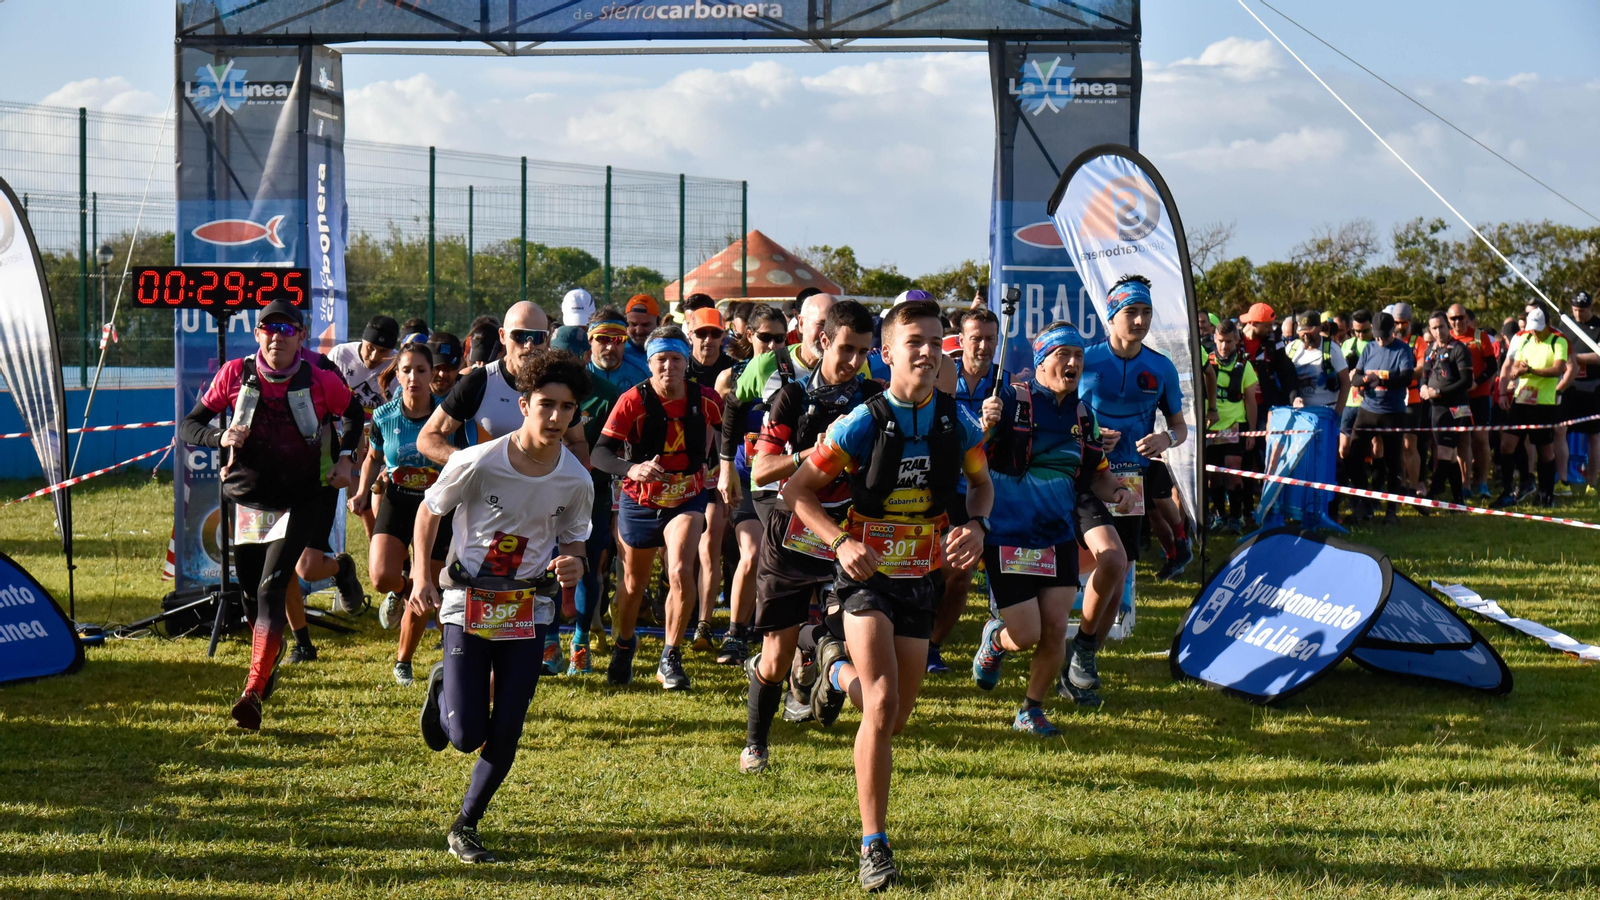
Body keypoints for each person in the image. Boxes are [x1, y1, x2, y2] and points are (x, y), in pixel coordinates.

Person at [782, 298, 990, 891]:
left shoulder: (960, 421)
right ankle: (874, 844)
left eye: (934, 341)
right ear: (888, 353)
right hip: (865, 576)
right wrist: (840, 543)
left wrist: (976, 527)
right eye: (914, 342)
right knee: (878, 704)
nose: (927, 351)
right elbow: (796, 492)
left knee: (895, 716)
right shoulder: (863, 421)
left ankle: (831, 664)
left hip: (919, 576)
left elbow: (981, 486)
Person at [413, 350, 592, 864]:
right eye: (546, 405)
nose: (556, 417)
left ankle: (465, 824)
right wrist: (423, 576)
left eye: (567, 408)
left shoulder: (576, 480)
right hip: (468, 597)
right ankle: (443, 683)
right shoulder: (478, 460)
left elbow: (575, 540)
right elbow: (429, 512)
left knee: (509, 723)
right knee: (468, 734)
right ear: (523, 404)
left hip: (528, 605)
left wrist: (573, 565)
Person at [179, 300, 358, 731]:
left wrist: (347, 457)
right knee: (249, 598)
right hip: (248, 497)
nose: (277, 336)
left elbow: (350, 412)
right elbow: (190, 425)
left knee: (273, 588)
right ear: (257, 335)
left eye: (287, 328)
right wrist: (221, 436)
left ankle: (252, 691)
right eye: (268, 328)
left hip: (301, 497)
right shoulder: (235, 374)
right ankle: (266, 662)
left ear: (301, 336)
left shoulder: (319, 377)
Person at [972, 322, 1134, 736]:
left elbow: (1096, 472)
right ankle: (996, 640)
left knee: (1056, 629)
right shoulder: (1010, 399)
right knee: (1025, 634)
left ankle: (1031, 709)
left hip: (1057, 535)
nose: (1074, 362)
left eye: (1078, 355)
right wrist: (983, 423)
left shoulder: (1084, 415)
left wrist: (1117, 492)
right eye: (1064, 354)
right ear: (1042, 361)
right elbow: (972, 452)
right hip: (1008, 532)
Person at [740, 299, 879, 773]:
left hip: (850, 531)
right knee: (774, 658)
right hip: (793, 530)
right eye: (847, 349)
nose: (855, 361)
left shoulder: (875, 400)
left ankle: (823, 674)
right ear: (824, 341)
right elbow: (762, 469)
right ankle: (756, 742)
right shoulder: (791, 397)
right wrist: (814, 455)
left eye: (865, 351)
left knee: (847, 634)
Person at [592, 326, 725, 690]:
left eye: (676, 359)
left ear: (687, 363)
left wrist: (724, 469)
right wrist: (632, 468)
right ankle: (624, 644)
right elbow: (599, 453)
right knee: (633, 585)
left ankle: (671, 655)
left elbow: (724, 426)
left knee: (681, 570)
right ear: (650, 363)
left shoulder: (705, 397)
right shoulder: (633, 400)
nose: (669, 367)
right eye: (661, 360)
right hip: (641, 498)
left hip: (686, 495)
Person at [359, 340, 459, 685]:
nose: (414, 377)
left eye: (421, 370)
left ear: (432, 374)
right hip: (398, 500)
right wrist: (361, 492)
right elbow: (373, 457)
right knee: (381, 577)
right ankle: (401, 589)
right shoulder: (385, 416)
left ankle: (403, 661)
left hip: (436, 506)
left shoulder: (447, 414)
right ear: (397, 375)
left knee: (425, 584)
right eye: (407, 370)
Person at [1079, 276, 1191, 581]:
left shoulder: (1161, 367)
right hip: (1082, 473)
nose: (1141, 320)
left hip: (1131, 477)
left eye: (1147, 311)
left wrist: (1164, 439)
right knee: (1084, 556)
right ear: (1112, 316)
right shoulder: (1085, 361)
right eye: (1131, 312)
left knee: (1124, 557)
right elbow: (1059, 414)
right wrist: (1089, 440)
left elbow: (1179, 427)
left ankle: (1110, 622)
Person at [927, 305, 1004, 674]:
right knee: (931, 568)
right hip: (936, 486)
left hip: (977, 489)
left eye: (991, 339)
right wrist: (980, 425)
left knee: (960, 573)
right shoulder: (943, 376)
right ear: (962, 338)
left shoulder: (1007, 388)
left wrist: (999, 424)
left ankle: (932, 646)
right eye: (977, 338)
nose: (984, 346)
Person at [716, 304, 793, 667]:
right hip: (747, 482)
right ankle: (734, 635)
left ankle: (778, 632)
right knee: (752, 553)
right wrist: (724, 470)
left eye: (781, 338)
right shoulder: (731, 377)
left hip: (785, 482)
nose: (774, 344)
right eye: (766, 337)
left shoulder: (793, 375)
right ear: (749, 335)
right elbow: (724, 433)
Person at [551, 325, 620, 674]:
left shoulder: (606, 395)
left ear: (584, 357)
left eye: (572, 357)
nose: (565, 364)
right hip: (543, 497)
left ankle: (580, 640)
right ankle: (549, 642)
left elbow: (612, 452)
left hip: (592, 495)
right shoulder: (538, 391)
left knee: (589, 566)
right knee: (544, 565)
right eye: (558, 355)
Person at [685, 306, 737, 653]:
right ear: (689, 334)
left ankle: (703, 621)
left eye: (714, 334)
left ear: (724, 336)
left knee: (709, 546)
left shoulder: (730, 372)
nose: (708, 340)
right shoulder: (677, 366)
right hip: (680, 469)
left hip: (717, 467)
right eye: (701, 333)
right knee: (681, 550)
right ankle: (684, 611)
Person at [1495, 306, 1569, 507]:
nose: (1534, 331)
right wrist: (1516, 373)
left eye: (1538, 328)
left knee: (1545, 450)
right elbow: (1517, 364)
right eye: (1532, 327)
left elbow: (1558, 369)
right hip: (1522, 399)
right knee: (1507, 444)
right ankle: (1508, 491)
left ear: (1547, 325)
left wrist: (1532, 370)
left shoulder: (1558, 341)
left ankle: (1546, 494)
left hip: (1544, 403)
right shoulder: (1525, 339)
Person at [1349, 311, 1415, 523]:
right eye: (1376, 336)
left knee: (1393, 461)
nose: (1380, 340)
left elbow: (1406, 377)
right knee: (1354, 455)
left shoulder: (1402, 350)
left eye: (1383, 336)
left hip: (1392, 412)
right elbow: (1355, 377)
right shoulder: (1369, 348)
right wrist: (1367, 379)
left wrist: (1384, 381)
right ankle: (1364, 502)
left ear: (1392, 332)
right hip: (1368, 409)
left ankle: (1392, 510)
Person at [1206, 319, 1259, 532]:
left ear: (1237, 340)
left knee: (1233, 469)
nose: (1224, 346)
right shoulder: (1206, 363)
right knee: (1213, 475)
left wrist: (1252, 433)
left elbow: (1251, 402)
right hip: (1211, 428)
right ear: (1214, 339)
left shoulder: (1245, 366)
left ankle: (1236, 517)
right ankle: (1220, 516)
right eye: (1220, 341)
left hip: (1235, 426)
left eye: (1228, 341)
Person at [1416, 310, 1474, 505]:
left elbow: (1467, 381)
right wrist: (1424, 387)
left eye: (1441, 326)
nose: (1438, 331)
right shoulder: (1429, 350)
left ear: (1447, 326)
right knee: (1448, 457)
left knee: (1444, 453)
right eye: (1434, 328)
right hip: (1437, 408)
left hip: (1457, 406)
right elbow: (1424, 375)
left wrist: (1439, 392)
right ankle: (1458, 501)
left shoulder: (1459, 348)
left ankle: (1431, 498)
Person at [1447, 305, 1497, 499]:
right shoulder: (1448, 337)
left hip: (1480, 395)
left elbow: (1492, 365)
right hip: (1459, 397)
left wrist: (1477, 382)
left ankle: (1482, 482)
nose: (1458, 322)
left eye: (1461, 318)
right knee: (1463, 439)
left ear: (1467, 318)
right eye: (1454, 319)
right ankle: (1465, 483)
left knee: (1481, 438)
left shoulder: (1479, 336)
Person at [1557, 290, 1600, 491]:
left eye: (1582, 310)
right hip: (1569, 386)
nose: (1578, 314)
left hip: (1593, 387)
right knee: (1561, 430)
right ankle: (1563, 479)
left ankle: (1592, 483)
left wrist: (1577, 358)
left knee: (1594, 436)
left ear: (1590, 308)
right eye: (1575, 310)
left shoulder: (1598, 326)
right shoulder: (1566, 324)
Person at [1286, 311, 1349, 413]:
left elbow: (1345, 383)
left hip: (1326, 411)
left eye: (1309, 331)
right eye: (1302, 331)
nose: (1305, 335)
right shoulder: (1291, 348)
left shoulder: (1332, 349)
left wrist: (1337, 413)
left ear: (1319, 328)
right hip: (1299, 412)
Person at [587, 306, 651, 392]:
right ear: (590, 340)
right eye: (603, 339)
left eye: (619, 340)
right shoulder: (579, 372)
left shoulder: (643, 373)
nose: (610, 348)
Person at [623, 294, 661, 371]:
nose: (639, 331)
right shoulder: (618, 351)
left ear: (658, 323)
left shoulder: (667, 351)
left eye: (645, 325)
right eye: (633, 324)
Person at [428, 331, 463, 398]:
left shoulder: (470, 395)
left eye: (448, 368)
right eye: (437, 367)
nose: (442, 374)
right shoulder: (411, 393)